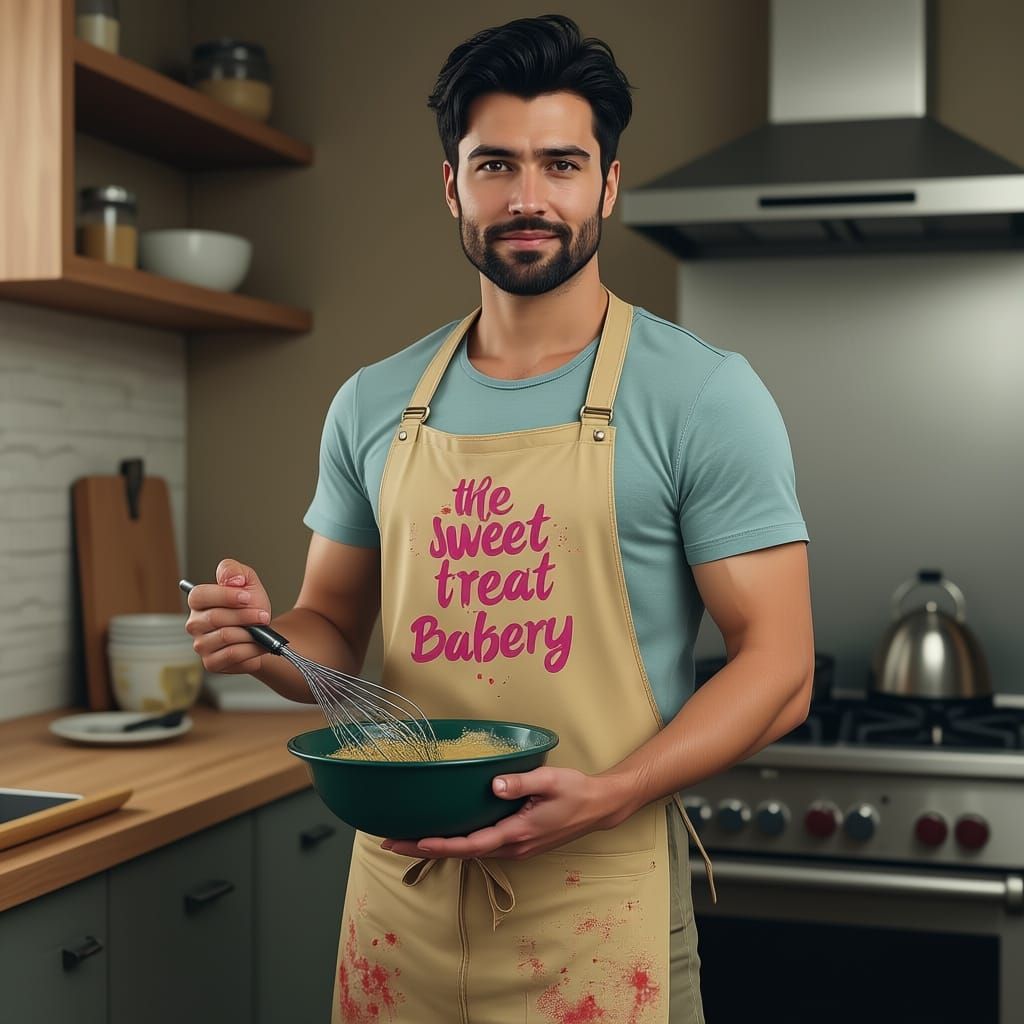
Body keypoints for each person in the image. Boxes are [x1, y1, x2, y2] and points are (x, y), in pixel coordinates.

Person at [184, 14, 813, 1023]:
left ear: (606, 184)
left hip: (599, 898)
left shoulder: (701, 396)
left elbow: (778, 666)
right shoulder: (371, 402)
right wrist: (262, 643)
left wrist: (611, 791)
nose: (528, 198)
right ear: (453, 187)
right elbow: (329, 629)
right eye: (495, 165)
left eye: (561, 163)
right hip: (402, 907)